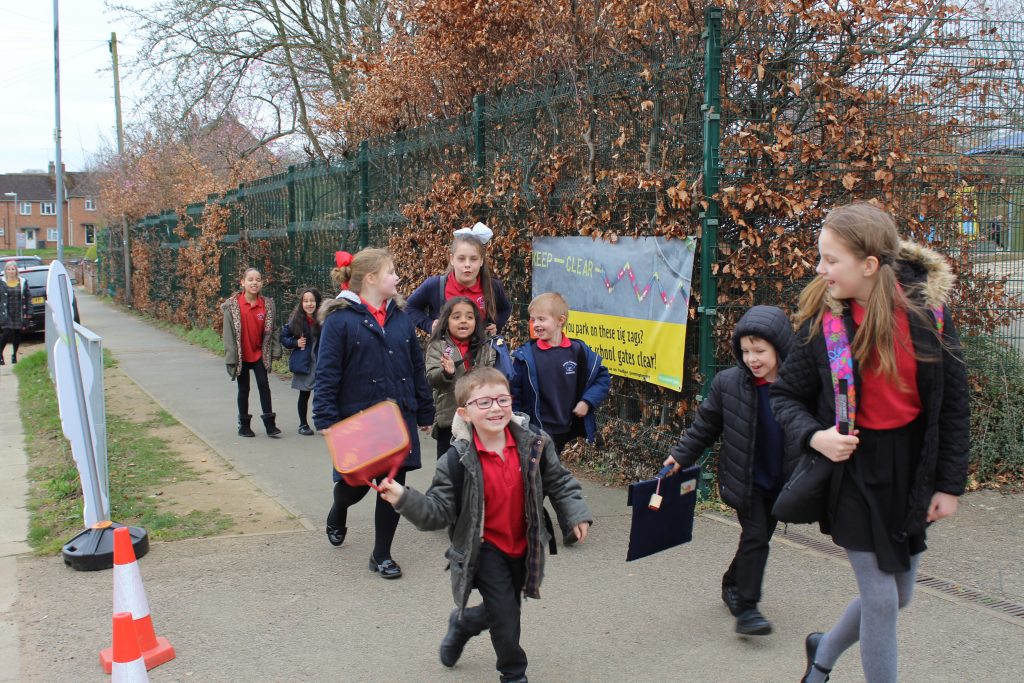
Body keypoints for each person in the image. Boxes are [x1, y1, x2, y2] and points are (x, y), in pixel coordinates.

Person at [770, 203, 969, 683]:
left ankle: (822, 652)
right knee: (881, 600)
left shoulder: (930, 316)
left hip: (912, 471)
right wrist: (816, 436)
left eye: (830, 259)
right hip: (854, 469)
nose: (820, 269)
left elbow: (954, 405)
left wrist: (949, 485)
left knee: (900, 595)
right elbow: (785, 397)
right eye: (821, 258)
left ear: (870, 264)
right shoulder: (824, 324)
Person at [379, 367, 592, 683]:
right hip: (483, 549)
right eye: (484, 403)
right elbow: (437, 512)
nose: (495, 408)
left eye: (502, 399)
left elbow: (559, 480)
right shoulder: (455, 462)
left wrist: (574, 513)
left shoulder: (535, 444)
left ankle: (463, 624)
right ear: (465, 413)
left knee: (503, 606)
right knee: (507, 615)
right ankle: (513, 673)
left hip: (523, 544)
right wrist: (402, 498)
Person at [662, 305, 794, 636]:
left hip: (783, 480)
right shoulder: (729, 384)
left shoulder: (799, 385)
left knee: (759, 536)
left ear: (780, 348)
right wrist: (681, 456)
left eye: (760, 350)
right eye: (746, 351)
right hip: (746, 479)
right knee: (756, 537)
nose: (752, 358)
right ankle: (747, 609)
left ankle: (733, 582)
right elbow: (705, 426)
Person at [313, 248, 434, 578]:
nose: (397, 277)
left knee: (392, 486)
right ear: (370, 279)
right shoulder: (340, 320)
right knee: (354, 486)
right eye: (391, 271)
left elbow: (415, 367)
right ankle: (339, 509)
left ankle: (381, 554)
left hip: (399, 417)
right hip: (360, 420)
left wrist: (424, 410)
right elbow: (327, 373)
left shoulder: (401, 318)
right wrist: (324, 417)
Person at [509, 291, 610, 545]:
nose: (536, 325)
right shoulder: (526, 356)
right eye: (532, 320)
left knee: (542, 475)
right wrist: (516, 422)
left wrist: (587, 402)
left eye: (542, 319)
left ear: (560, 320)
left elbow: (602, 378)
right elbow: (515, 393)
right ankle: (569, 525)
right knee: (547, 473)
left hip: (563, 427)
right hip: (536, 428)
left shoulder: (578, 351)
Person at [406, 223, 513, 336]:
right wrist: (428, 324)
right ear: (452, 259)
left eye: (473, 259)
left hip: (481, 352)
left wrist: (496, 325)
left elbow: (505, 309)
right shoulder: (435, 286)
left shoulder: (493, 287)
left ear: (481, 260)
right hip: (444, 353)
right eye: (461, 259)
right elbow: (409, 307)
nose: (467, 264)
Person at [425, 296, 497, 459]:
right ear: (446, 321)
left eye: (469, 317)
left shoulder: (485, 347)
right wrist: (446, 373)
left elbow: (492, 376)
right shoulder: (438, 345)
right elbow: (431, 378)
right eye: (456, 317)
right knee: (449, 469)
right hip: (449, 420)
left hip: (480, 420)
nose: (463, 321)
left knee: (479, 469)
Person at [222, 267, 283, 437]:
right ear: (242, 282)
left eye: (258, 279)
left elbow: (273, 330)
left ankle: (270, 424)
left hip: (259, 353)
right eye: (250, 279)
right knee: (244, 388)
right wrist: (231, 358)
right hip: (241, 354)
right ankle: (244, 425)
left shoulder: (267, 305)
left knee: (264, 384)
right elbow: (228, 335)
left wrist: (276, 350)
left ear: (262, 283)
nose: (254, 282)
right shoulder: (232, 306)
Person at [280, 287, 322, 435]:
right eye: (305, 301)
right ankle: (303, 424)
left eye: (312, 301)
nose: (309, 304)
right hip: (304, 362)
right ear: (301, 303)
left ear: (317, 302)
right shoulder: (296, 320)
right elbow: (283, 338)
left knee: (322, 394)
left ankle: (322, 423)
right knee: (304, 394)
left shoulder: (324, 319)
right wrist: (295, 343)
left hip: (320, 362)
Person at [0, 261, 31, 365]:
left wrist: (29, 312)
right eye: (9, 269)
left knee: (17, 334)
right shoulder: (1, 282)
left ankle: (14, 355)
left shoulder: (23, 282)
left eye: (13, 269)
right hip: (6, 312)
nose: (11, 271)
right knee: (6, 332)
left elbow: (28, 298)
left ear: (16, 270)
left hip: (19, 311)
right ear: (6, 271)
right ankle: (0, 354)